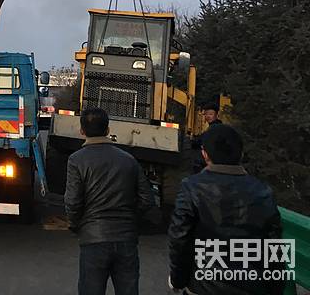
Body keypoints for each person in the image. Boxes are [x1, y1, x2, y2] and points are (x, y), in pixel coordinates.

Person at [168, 124, 283, 294]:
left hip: (204, 287)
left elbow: (180, 239)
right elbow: (274, 249)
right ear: (241, 154)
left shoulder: (192, 187)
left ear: (205, 154)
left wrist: (178, 280)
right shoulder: (263, 192)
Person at [64, 108, 155, 295]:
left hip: (93, 239)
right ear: (107, 130)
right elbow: (147, 199)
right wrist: (130, 220)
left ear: (82, 131)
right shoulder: (128, 160)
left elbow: (73, 202)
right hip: (126, 239)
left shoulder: (76, 160)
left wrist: (76, 225)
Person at [192, 102, 223, 173]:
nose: (208, 116)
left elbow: (204, 139)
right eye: (206, 114)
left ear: (217, 115)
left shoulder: (215, 128)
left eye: (211, 114)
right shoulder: (212, 127)